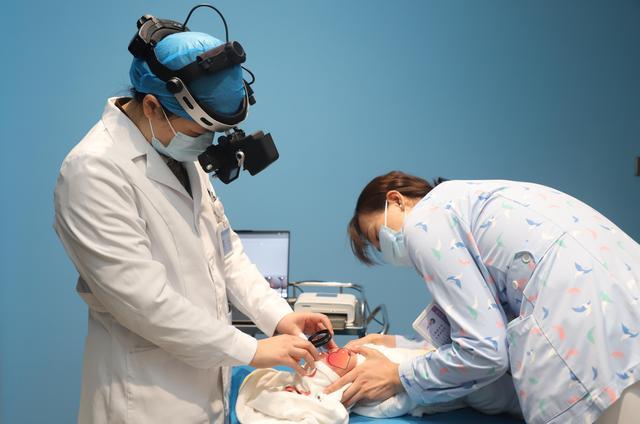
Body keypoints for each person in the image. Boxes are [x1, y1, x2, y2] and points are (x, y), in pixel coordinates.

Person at [53, 24, 333, 423]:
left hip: (207, 387)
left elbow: (226, 252)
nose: (206, 143)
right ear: (152, 106)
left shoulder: (175, 151)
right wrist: (252, 350)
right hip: (145, 399)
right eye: (200, 130)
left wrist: (276, 316)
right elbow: (146, 302)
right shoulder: (93, 171)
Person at [324, 171, 640, 424]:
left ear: (396, 200)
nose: (387, 249)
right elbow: (492, 329)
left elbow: (485, 351)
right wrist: (399, 344)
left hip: (594, 349)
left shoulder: (424, 222)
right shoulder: (470, 199)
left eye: (378, 236)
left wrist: (398, 375)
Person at [236, 341, 520, 423]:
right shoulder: (373, 397)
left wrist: (390, 342)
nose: (329, 351)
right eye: (330, 358)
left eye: (324, 352)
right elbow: (400, 401)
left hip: (479, 361)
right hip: (480, 384)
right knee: (495, 392)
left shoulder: (370, 353)